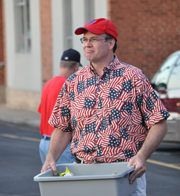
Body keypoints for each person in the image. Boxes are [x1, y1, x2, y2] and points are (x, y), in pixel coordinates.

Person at [41, 18, 170, 195]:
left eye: (93, 39)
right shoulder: (74, 82)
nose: (87, 44)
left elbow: (159, 122)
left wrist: (142, 156)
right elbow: (63, 128)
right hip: (83, 174)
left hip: (125, 174)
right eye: (85, 40)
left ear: (110, 43)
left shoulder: (133, 77)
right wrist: (51, 158)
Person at [38, 48, 82, 164]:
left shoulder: (48, 84)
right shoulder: (69, 86)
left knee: (51, 180)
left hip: (44, 143)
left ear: (60, 65)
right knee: (68, 181)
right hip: (61, 145)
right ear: (76, 67)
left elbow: (43, 112)